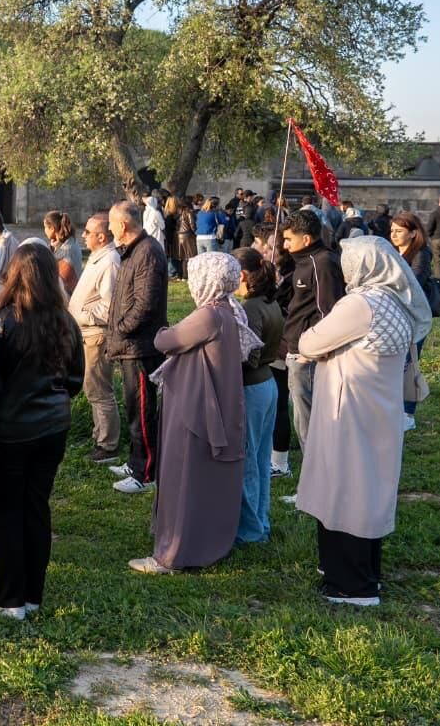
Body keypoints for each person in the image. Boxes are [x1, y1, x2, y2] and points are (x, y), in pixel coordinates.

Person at [294, 236, 432, 606]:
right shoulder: (396, 300)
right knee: (369, 490)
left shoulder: (360, 304)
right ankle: (364, 572)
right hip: (379, 409)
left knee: (345, 490)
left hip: (350, 410)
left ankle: (351, 585)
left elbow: (309, 343)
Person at [128, 251, 259, 574]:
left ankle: (174, 553)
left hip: (196, 409)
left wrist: (164, 330)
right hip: (213, 404)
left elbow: (165, 341)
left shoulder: (210, 316)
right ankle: (206, 543)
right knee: (203, 480)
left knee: (184, 477)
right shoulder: (229, 310)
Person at [0, 245, 83, 619]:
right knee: (35, 507)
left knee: (5, 513)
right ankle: (32, 592)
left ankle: (9, 598)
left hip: (6, 432)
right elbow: (74, 379)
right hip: (51, 427)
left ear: (13, 274)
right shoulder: (65, 322)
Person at [105, 201, 169, 494]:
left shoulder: (148, 252)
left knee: (143, 412)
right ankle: (135, 461)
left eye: (111, 223)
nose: (109, 228)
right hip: (130, 345)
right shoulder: (133, 250)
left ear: (123, 224)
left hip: (140, 346)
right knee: (134, 408)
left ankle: (146, 472)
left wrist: (120, 328)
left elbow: (145, 304)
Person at [280, 208, 344, 451]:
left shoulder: (322, 263)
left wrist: (311, 353)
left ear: (306, 239)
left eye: (289, 239)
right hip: (297, 348)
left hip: (307, 354)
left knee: (309, 419)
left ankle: (316, 468)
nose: (285, 245)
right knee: (301, 415)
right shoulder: (302, 261)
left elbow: (328, 312)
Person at [233, 247, 285, 545]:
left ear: (241, 275)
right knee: (260, 460)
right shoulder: (268, 300)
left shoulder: (251, 307)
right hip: (266, 384)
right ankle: (260, 521)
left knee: (248, 462)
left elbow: (248, 356)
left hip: (252, 387)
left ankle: (250, 530)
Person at [69, 212, 121, 464]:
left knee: (99, 389)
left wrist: (82, 314)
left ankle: (108, 445)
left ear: (101, 237)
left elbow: (110, 306)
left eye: (88, 232)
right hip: (87, 333)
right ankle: (99, 435)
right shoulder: (98, 257)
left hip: (96, 335)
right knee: (92, 388)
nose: (83, 235)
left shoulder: (110, 261)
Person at [390, 211, 437, 429]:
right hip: (396, 314)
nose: (394, 235)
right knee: (397, 363)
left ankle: (407, 413)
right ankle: (395, 408)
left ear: (412, 233)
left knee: (409, 363)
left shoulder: (421, 253)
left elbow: (415, 281)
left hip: (415, 316)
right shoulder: (393, 252)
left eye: (399, 231)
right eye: (392, 230)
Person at [44, 210, 81, 293]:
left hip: (67, 293)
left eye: (45, 227)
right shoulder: (68, 241)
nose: (44, 230)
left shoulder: (66, 249)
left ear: (52, 229)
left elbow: (53, 274)